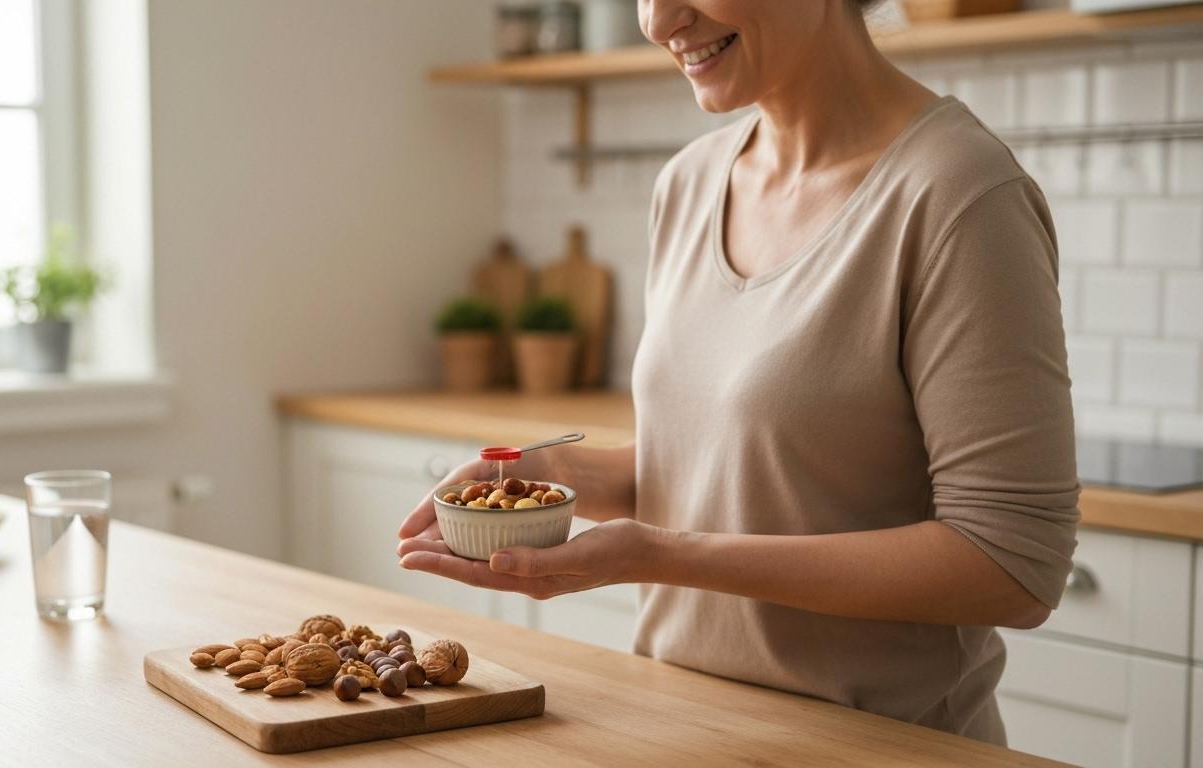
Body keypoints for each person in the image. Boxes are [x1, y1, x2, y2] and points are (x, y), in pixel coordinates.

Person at [398, 0, 1078, 744]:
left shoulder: (957, 193)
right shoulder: (689, 184)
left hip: (881, 745)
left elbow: (1012, 567)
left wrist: (660, 553)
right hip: (680, 728)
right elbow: (733, 469)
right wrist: (562, 476)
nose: (658, 21)